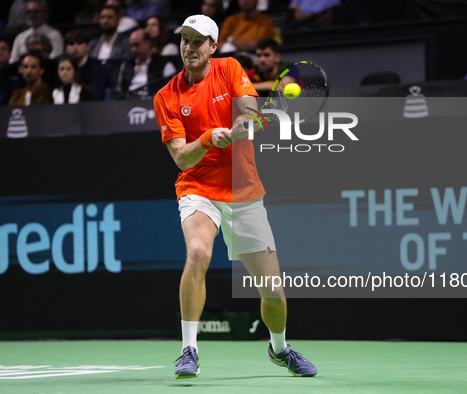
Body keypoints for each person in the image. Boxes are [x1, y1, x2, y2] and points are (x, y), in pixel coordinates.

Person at [153, 14, 317, 380]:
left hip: (244, 192)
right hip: (198, 188)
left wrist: (243, 124)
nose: (189, 47)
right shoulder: (166, 96)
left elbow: (249, 109)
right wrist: (209, 138)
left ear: (213, 46)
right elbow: (181, 156)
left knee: (272, 290)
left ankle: (279, 349)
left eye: (198, 41)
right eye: (185, 40)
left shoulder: (229, 67)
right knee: (198, 252)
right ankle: (188, 350)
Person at [116, 28, 177, 94]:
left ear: (148, 44)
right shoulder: (127, 65)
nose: (133, 49)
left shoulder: (164, 64)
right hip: (127, 101)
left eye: (136, 45)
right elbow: (120, 89)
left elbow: (173, 91)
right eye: (131, 46)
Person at [65, 29, 111, 101]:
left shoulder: (98, 68)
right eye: (71, 44)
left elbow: (96, 95)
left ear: (87, 46)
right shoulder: (62, 67)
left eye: (79, 43)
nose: (75, 47)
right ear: (66, 48)